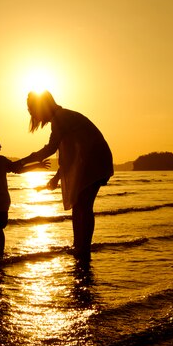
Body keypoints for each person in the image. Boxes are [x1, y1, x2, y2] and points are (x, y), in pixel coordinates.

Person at [19, 91, 113, 262]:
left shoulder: (61, 118)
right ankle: (81, 246)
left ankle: (82, 248)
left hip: (95, 159)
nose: (34, 116)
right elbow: (68, 156)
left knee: (82, 205)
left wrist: (22, 162)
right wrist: (56, 178)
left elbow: (50, 149)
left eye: (33, 112)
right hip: (96, 158)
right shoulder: (62, 117)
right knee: (81, 205)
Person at [0, 126, 49, 260]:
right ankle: (0, 255)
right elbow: (18, 169)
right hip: (0, 203)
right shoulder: (0, 161)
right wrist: (36, 164)